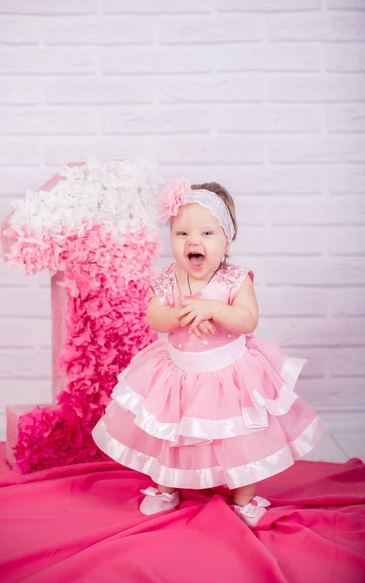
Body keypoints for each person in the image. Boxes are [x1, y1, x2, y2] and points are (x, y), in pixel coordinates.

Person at [92, 178, 325, 526]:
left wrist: (213, 310)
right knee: (170, 435)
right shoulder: (169, 278)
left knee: (240, 439)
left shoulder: (234, 279)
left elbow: (247, 320)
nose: (193, 241)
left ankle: (245, 498)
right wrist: (181, 315)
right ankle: (166, 488)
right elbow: (155, 316)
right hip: (178, 373)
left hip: (228, 375)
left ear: (226, 238)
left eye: (206, 233)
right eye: (182, 234)